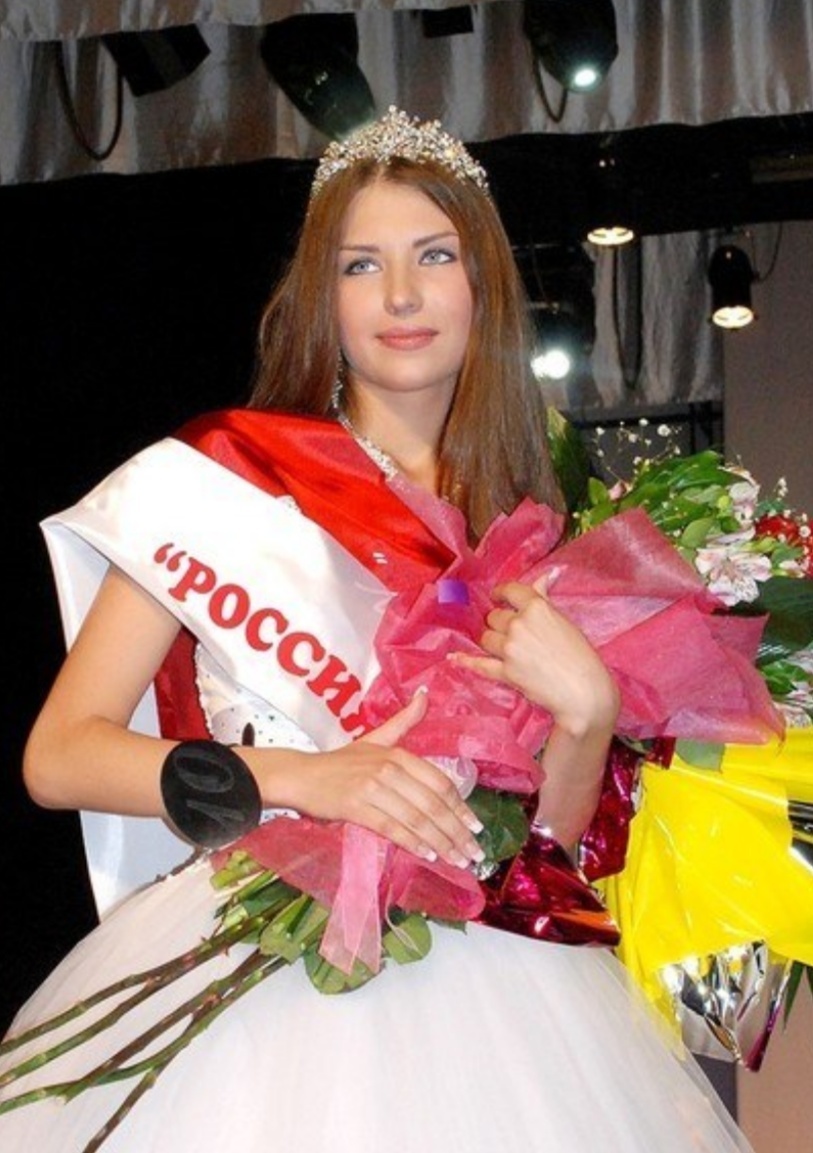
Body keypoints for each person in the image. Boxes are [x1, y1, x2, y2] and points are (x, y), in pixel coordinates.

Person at [0, 107, 773, 1152]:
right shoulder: (225, 481)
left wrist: (587, 712)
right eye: (361, 265)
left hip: (499, 1007)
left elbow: (545, 855)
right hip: (262, 994)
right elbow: (59, 755)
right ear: (321, 298)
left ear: (481, 285)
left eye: (434, 256)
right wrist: (307, 778)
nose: (401, 295)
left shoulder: (534, 520)